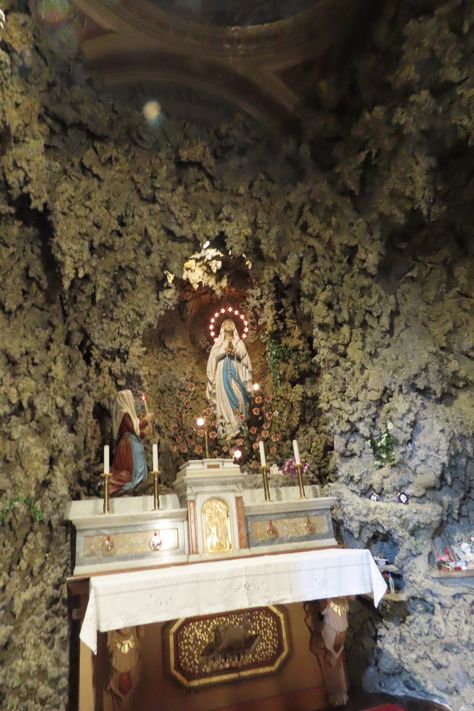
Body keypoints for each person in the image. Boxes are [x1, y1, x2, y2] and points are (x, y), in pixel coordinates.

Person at [206, 319, 253, 439]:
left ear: (234, 327)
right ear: (222, 328)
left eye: (230, 323)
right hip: (222, 371)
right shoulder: (218, 343)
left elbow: (243, 355)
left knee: (239, 395)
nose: (228, 325)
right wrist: (225, 352)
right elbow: (215, 356)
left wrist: (234, 352)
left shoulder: (238, 342)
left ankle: (239, 426)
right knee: (223, 398)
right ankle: (227, 429)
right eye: (225, 324)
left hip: (236, 369)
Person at [110, 390, 151, 496]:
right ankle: (135, 484)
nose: (133, 401)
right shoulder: (123, 413)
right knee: (136, 466)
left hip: (131, 442)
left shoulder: (125, 413)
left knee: (138, 463)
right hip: (129, 445)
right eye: (131, 398)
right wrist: (145, 421)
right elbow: (133, 429)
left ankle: (139, 484)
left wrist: (144, 433)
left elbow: (137, 433)